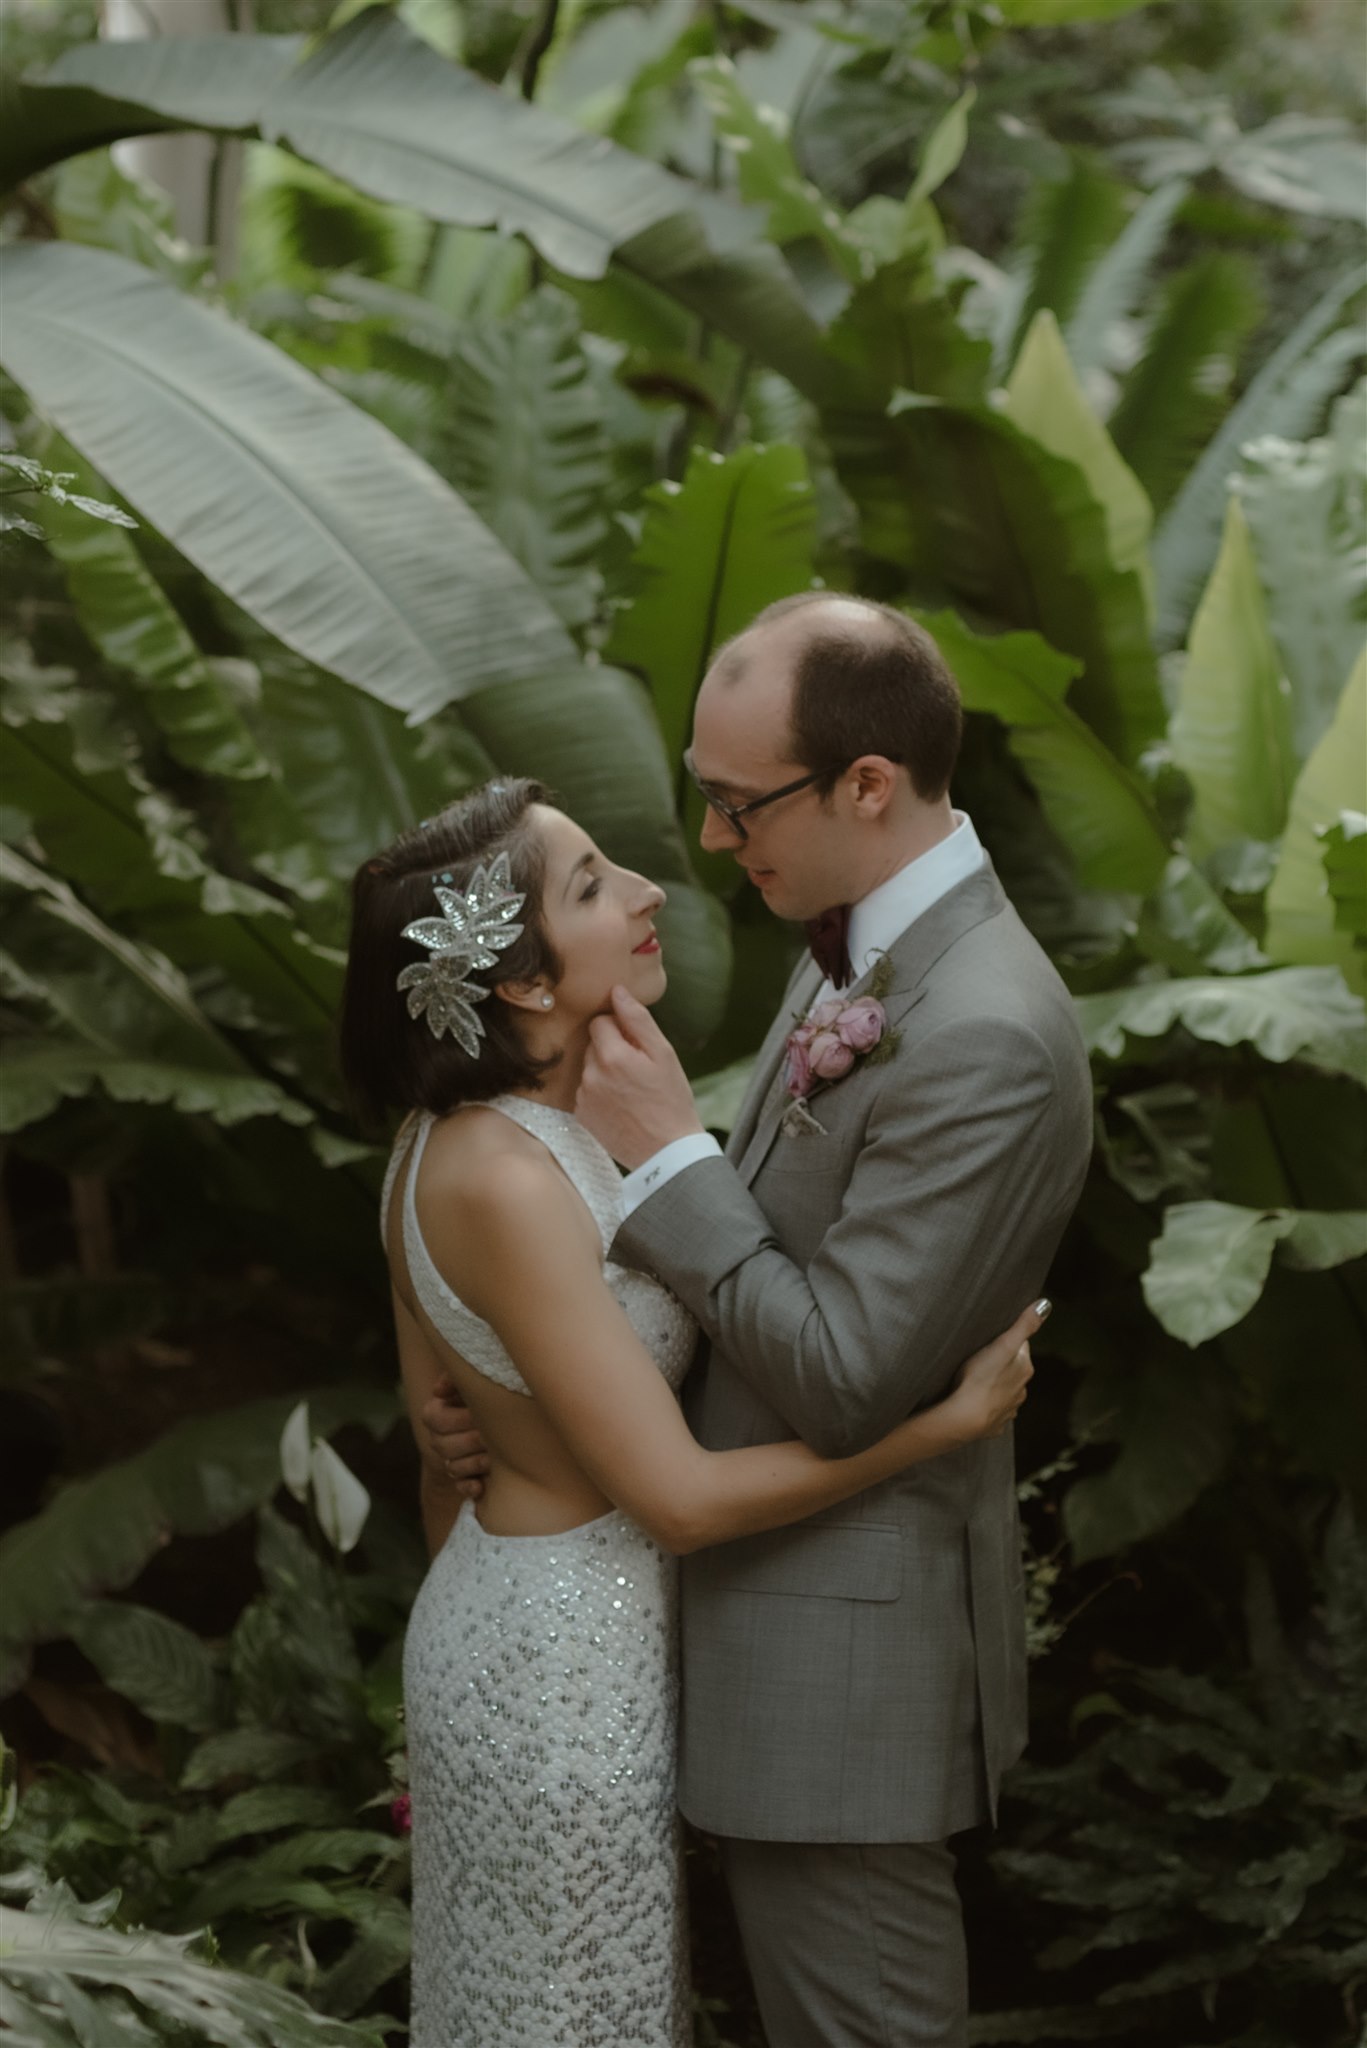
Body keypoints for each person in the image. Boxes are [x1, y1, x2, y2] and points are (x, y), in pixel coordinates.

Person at [428, 598, 1094, 2047]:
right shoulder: (852, 941)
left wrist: (671, 1156)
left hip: (844, 1686)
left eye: (739, 804)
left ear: (867, 783)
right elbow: (755, 1272)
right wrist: (527, 1402)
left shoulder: (983, 1028)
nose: (714, 844)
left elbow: (847, 1372)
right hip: (744, 1643)